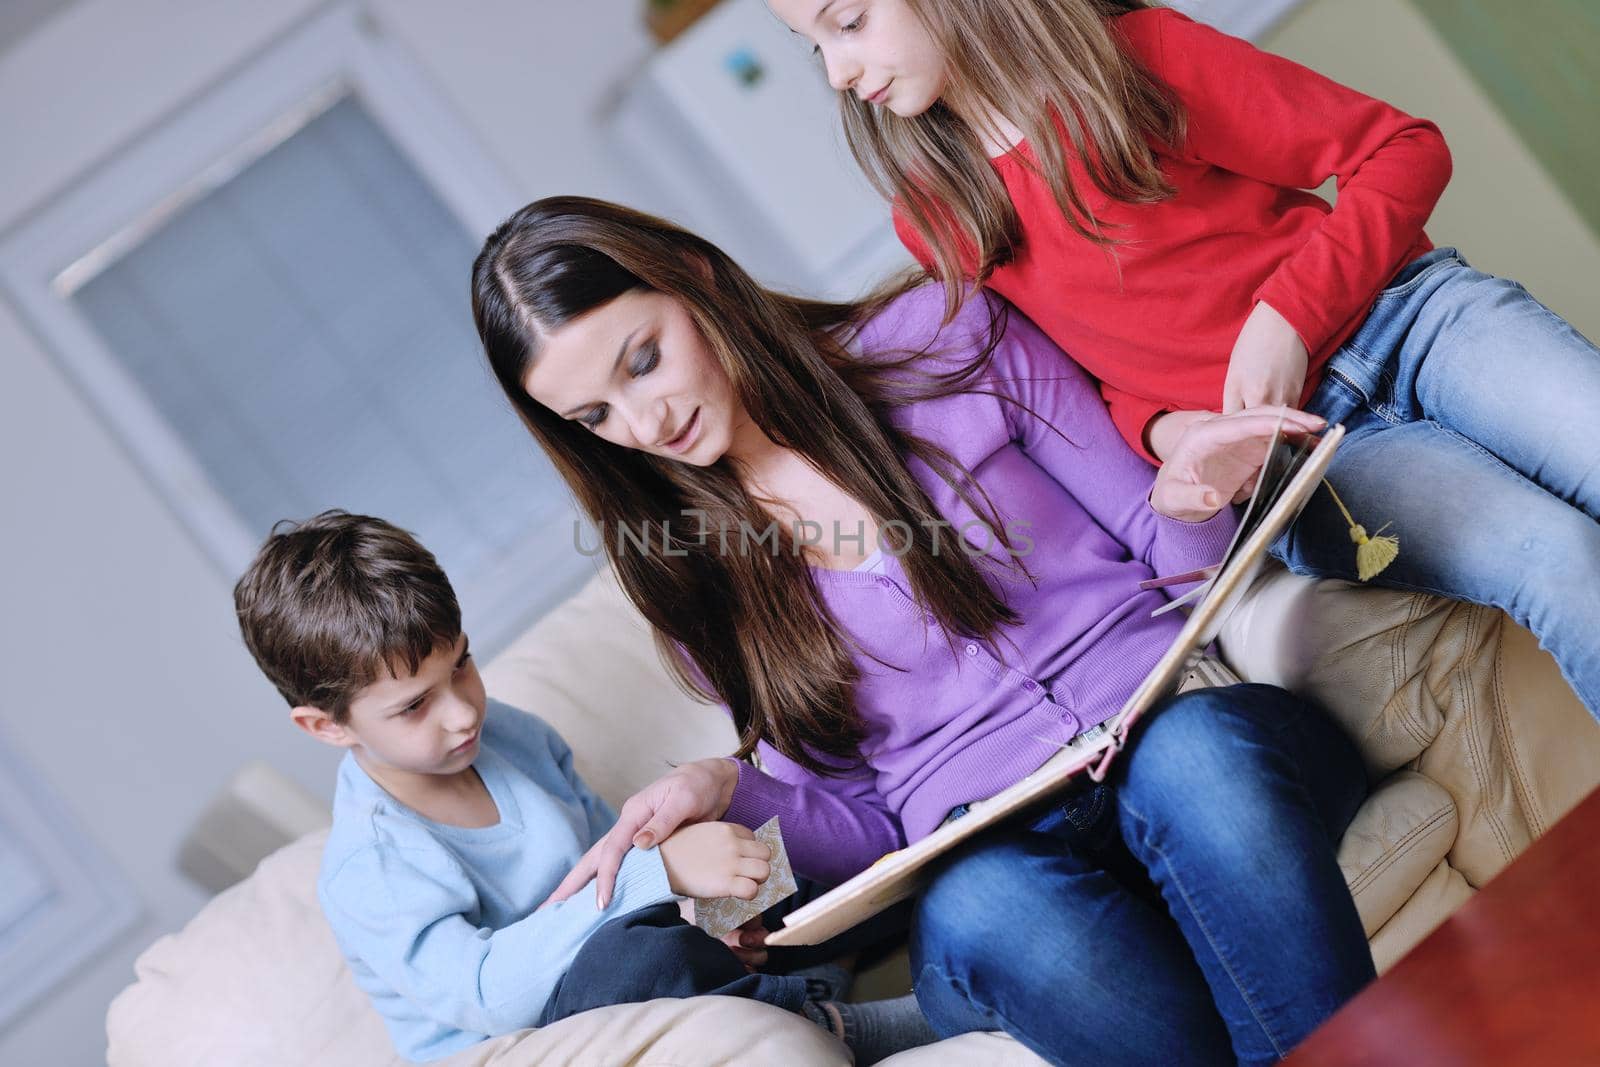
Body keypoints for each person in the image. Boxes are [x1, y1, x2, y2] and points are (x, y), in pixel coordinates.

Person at [471, 196, 1375, 1065]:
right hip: (1004, 857)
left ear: (697, 278)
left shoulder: (943, 337)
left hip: (1193, 743)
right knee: (987, 905)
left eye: (642, 362)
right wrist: (727, 788)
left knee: (1195, 754)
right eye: (596, 418)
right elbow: (868, 826)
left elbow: (1169, 550)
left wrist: (1190, 493)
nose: (647, 423)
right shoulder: (688, 570)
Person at [771, 0, 1600, 717]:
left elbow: (1403, 150)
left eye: (849, 22)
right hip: (1309, 464)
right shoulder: (939, 219)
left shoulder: (1138, 58)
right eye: (818, 48)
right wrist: (1171, 435)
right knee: (1556, 560)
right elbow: (1090, 384)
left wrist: (1289, 316)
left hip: (1412, 316)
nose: (841, 72)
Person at [232, 509, 912, 1062]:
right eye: (414, 705)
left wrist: (688, 897)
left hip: (625, 946)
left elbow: (605, 847)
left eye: (462, 665)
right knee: (635, 957)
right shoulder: (371, 865)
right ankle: (831, 1022)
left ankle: (900, 908)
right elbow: (489, 993)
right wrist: (660, 873)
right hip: (527, 1041)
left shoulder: (507, 735)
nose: (463, 710)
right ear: (326, 727)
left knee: (765, 851)